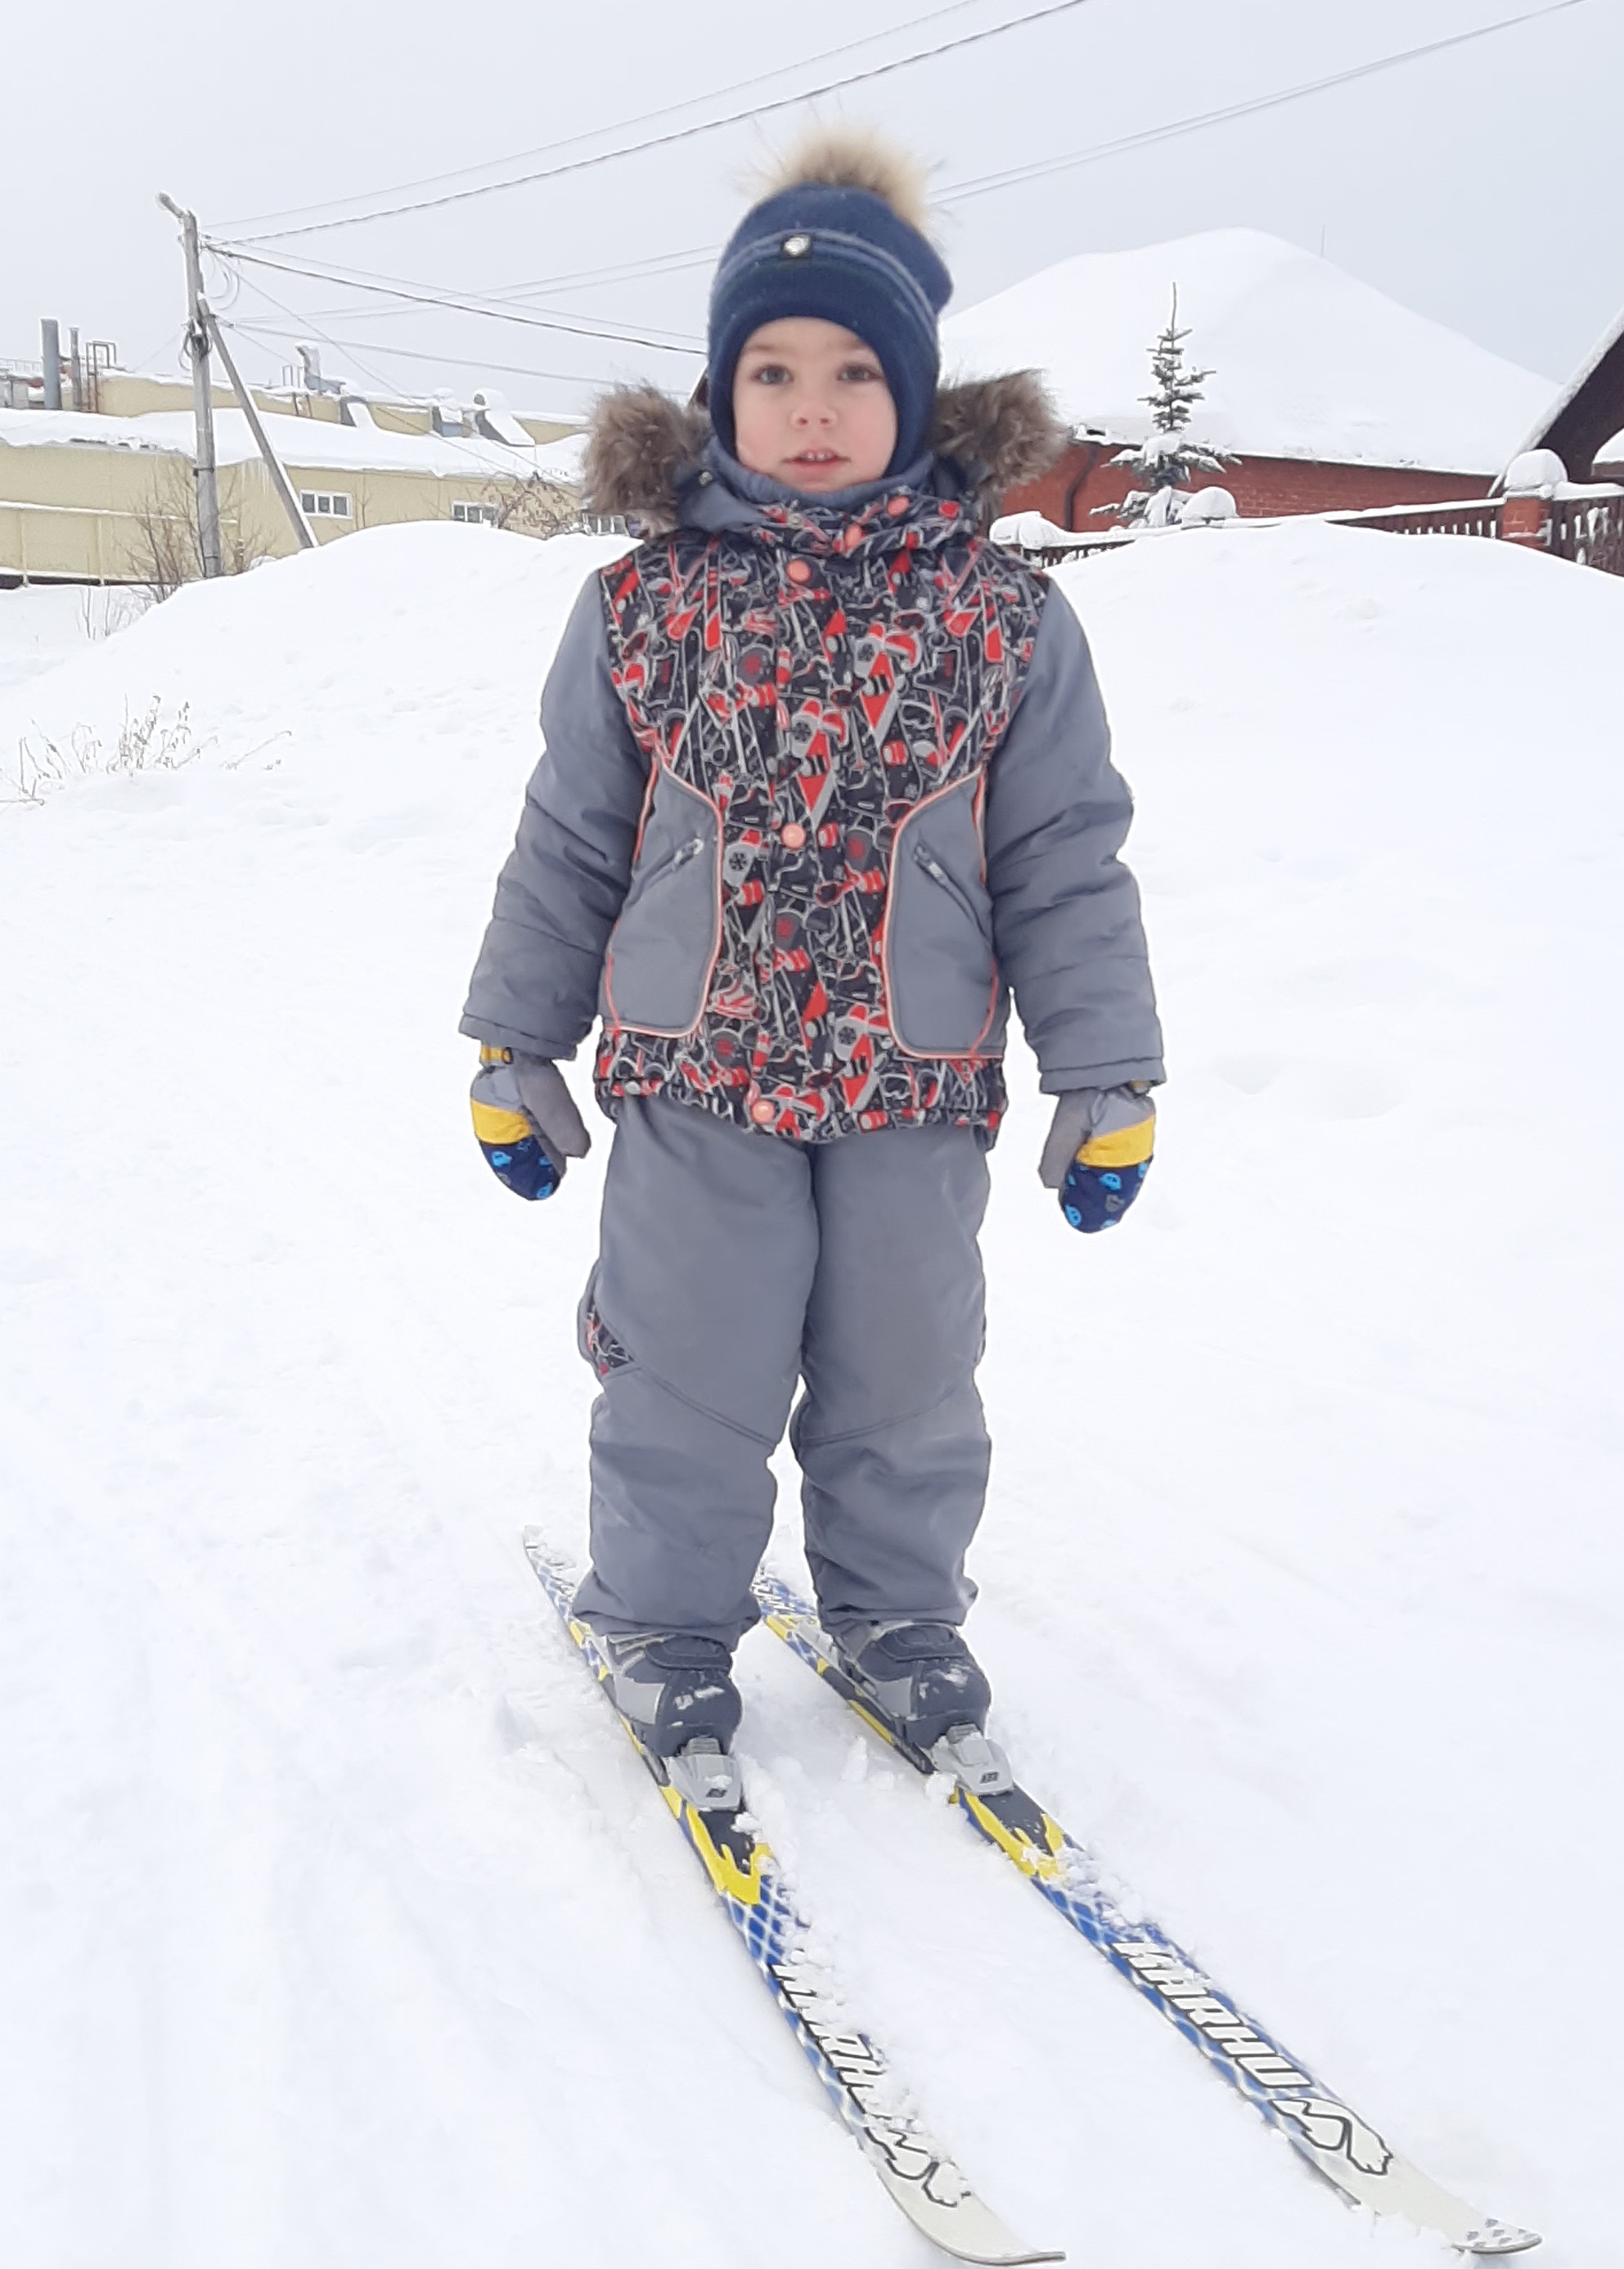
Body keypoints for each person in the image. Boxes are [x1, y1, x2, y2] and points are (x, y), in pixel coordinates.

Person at [461, 129, 1163, 1784]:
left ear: (918, 395)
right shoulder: (644, 608)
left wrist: (1107, 1073)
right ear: (722, 396)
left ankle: (901, 1623)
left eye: (857, 370)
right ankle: (663, 1624)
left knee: (908, 1385)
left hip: (912, 1081)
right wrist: (513, 1043)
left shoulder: (1005, 616)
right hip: (695, 1073)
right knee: (686, 1374)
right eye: (772, 371)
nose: (815, 405)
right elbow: (572, 837)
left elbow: (1066, 856)